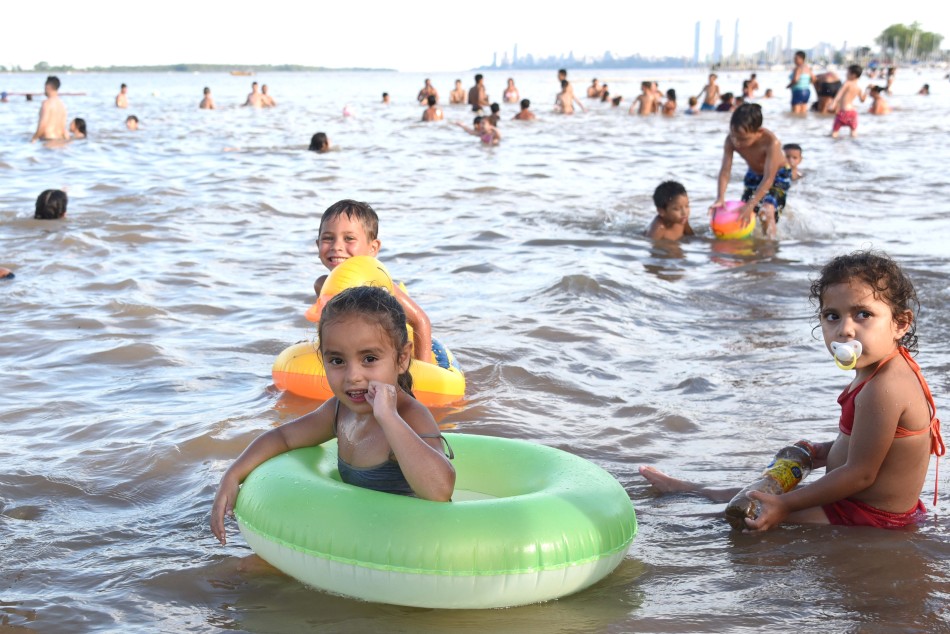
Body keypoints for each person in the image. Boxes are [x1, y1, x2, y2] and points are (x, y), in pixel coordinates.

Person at [640, 251, 945, 531]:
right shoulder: (877, 371)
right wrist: (820, 451)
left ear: (900, 323)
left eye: (863, 314)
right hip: (854, 500)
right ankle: (696, 490)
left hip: (869, 516)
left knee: (731, 521)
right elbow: (865, 443)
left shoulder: (886, 386)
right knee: (751, 494)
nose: (845, 330)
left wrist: (784, 505)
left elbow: (861, 474)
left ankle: (653, 524)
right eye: (832, 316)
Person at [211, 284, 456, 545]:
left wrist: (388, 418)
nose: (353, 376)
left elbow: (440, 490)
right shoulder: (339, 411)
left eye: (369, 358)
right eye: (337, 361)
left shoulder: (409, 415)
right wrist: (234, 474)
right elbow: (283, 437)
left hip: (405, 544)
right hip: (357, 533)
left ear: (402, 358)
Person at [313, 200, 433, 363]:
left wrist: (424, 371)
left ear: (373, 248)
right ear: (317, 244)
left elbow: (421, 321)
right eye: (328, 238)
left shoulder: (378, 286)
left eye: (349, 238)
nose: (337, 246)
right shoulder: (322, 285)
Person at [709, 103, 790, 240]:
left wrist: (750, 204)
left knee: (766, 211)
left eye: (743, 139)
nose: (737, 142)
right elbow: (725, 171)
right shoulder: (731, 140)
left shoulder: (771, 142)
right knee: (744, 213)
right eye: (734, 136)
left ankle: (770, 250)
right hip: (753, 174)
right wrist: (720, 197)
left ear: (759, 132)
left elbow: (769, 178)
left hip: (777, 175)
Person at [830, 65, 866, 138]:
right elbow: (862, 100)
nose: (846, 74)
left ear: (853, 75)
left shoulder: (847, 83)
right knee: (853, 133)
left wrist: (833, 104)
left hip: (843, 112)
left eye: (847, 72)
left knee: (834, 133)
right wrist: (867, 91)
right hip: (852, 113)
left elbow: (839, 94)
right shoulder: (858, 88)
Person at [30, 76, 68, 142]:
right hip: (60, 141)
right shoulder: (62, 105)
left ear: (48, 86)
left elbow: (42, 125)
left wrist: (34, 139)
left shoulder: (46, 104)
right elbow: (63, 129)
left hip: (48, 141)